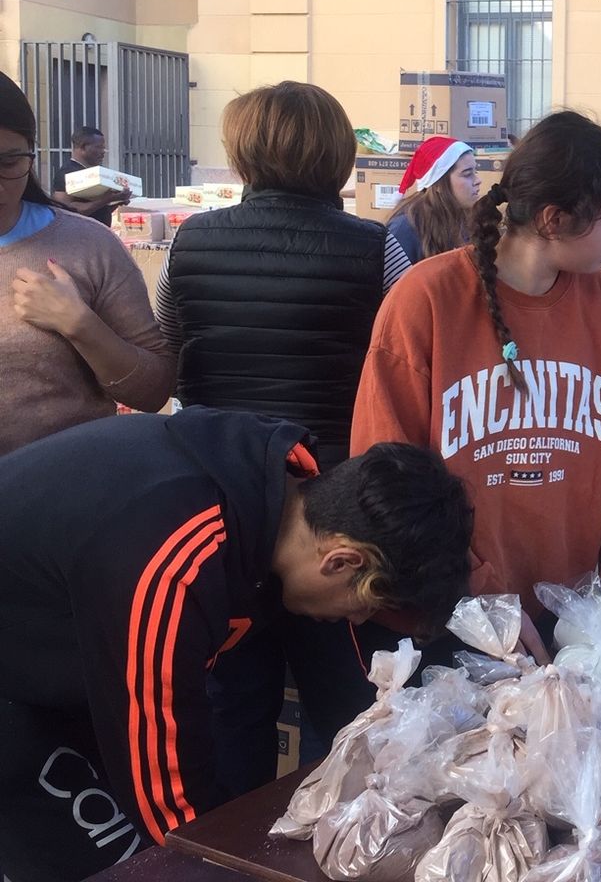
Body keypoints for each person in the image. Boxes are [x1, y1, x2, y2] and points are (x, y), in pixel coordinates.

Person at [0, 406, 472, 882]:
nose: (357, 618)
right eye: (366, 605)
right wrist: (227, 861)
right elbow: (166, 790)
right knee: (113, 858)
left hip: (58, 650)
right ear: (341, 561)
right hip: (19, 679)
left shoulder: (283, 495)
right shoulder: (175, 558)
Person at [350, 109, 601, 672]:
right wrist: (476, 599)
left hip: (580, 621)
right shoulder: (426, 299)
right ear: (555, 220)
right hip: (454, 617)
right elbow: (386, 474)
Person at [156, 81, 388, 790]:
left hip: (218, 508)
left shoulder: (192, 243)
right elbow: (400, 362)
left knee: (233, 703)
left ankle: (236, 849)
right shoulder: (377, 251)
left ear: (244, 152)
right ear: (338, 156)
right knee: (347, 708)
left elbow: (169, 346)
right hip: (333, 513)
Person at [0, 75, 173, 456]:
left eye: (8, 162)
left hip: (66, 491)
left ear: (31, 154)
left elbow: (153, 390)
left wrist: (80, 325)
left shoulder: (87, 245)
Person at [383, 135, 482, 277]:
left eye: (475, 172)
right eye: (467, 174)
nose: (478, 180)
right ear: (438, 184)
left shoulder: (467, 219)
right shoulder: (406, 228)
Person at [49, 126, 129, 227]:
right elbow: (66, 212)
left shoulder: (92, 173)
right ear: (83, 147)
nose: (103, 151)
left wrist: (117, 201)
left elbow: (96, 211)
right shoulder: (67, 173)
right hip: (79, 238)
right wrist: (106, 199)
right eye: (99, 147)